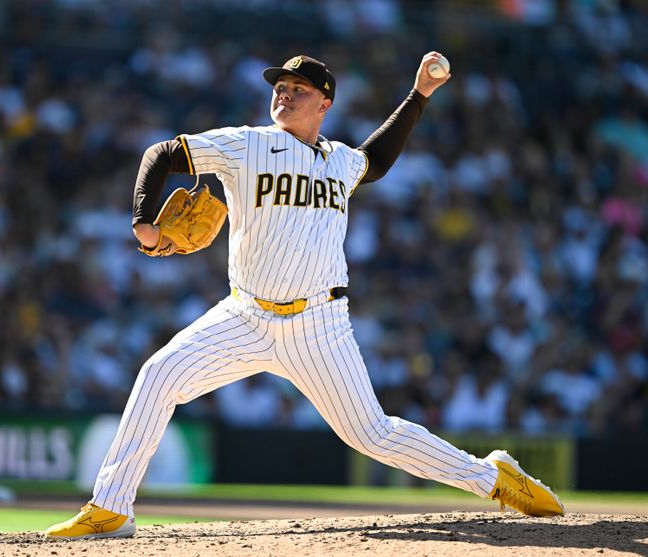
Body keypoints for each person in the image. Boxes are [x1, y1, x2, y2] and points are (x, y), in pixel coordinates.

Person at [45, 52, 564, 539]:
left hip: (320, 326)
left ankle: (492, 476)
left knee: (372, 435)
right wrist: (143, 223)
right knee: (158, 376)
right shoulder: (246, 144)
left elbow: (375, 160)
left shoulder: (340, 161)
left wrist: (419, 93)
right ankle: (112, 507)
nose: (284, 94)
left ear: (325, 104)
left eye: (298, 89)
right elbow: (162, 153)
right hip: (244, 317)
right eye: (281, 86)